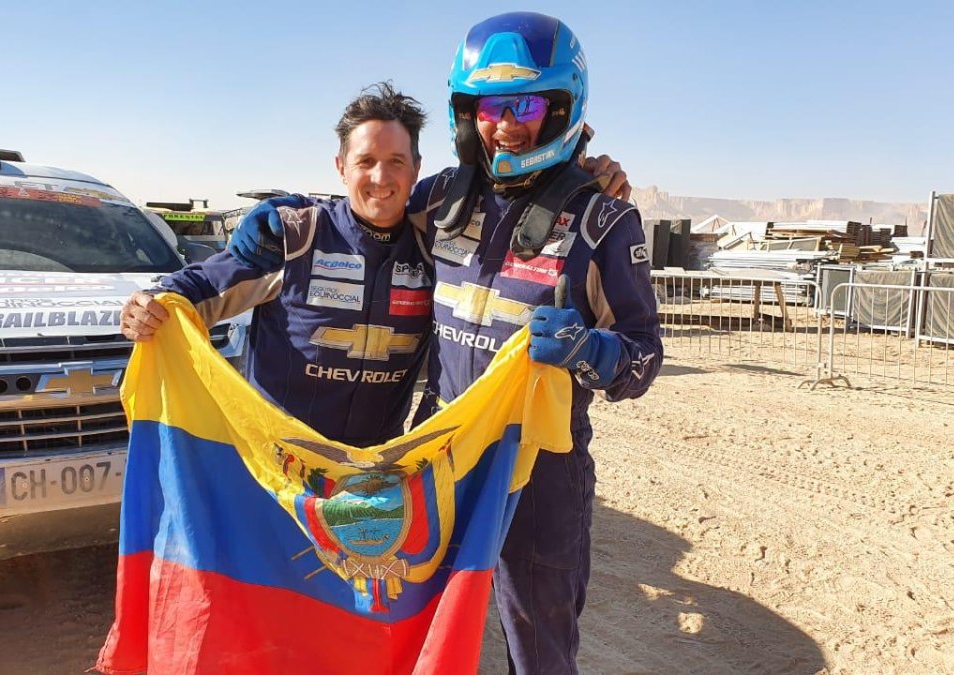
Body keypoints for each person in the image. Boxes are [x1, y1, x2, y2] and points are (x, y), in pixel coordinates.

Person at [228, 12, 662, 673]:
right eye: (489, 106)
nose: (506, 123)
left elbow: (643, 354)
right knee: (409, 630)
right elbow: (372, 203)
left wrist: (591, 351)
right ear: (468, 113)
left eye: (526, 103)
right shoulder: (446, 201)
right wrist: (291, 213)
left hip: (540, 466)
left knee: (538, 642)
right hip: (441, 454)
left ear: (561, 106)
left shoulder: (603, 220)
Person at [120, 83, 434, 447]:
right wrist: (150, 302)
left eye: (395, 161)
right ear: (341, 168)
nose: (380, 178)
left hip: (374, 474)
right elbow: (200, 287)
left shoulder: (435, 251)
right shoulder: (295, 239)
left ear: (416, 169)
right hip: (278, 471)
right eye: (365, 161)